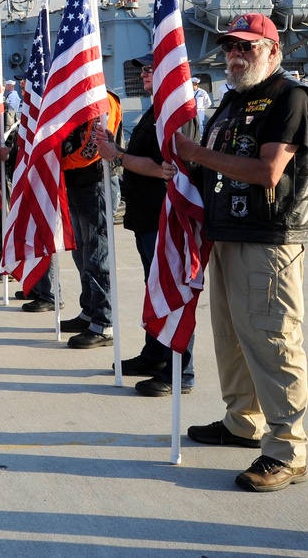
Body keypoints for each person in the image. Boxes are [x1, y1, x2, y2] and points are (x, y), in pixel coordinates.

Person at [172, 12, 308, 492]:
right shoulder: (232, 102)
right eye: (230, 48)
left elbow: (267, 172)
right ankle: (242, 422)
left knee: (273, 339)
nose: (236, 56)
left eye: (248, 47)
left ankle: (287, 451)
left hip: (269, 239)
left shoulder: (291, 99)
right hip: (228, 235)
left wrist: (195, 154)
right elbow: (206, 170)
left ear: (274, 52)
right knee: (233, 338)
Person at [95, 56, 198, 394]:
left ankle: (180, 371)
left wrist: (118, 155)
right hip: (146, 217)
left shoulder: (175, 115)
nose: (143, 73)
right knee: (156, 288)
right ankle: (154, 355)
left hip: (165, 217)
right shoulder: (155, 111)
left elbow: (162, 167)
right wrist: (115, 147)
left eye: (150, 69)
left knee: (173, 289)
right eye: (141, 69)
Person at [58, 90, 122, 349]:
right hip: (76, 185)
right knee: (82, 253)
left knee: (97, 254)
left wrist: (62, 163)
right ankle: (89, 311)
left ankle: (103, 322)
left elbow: (93, 148)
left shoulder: (101, 99)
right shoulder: (76, 99)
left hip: (95, 184)